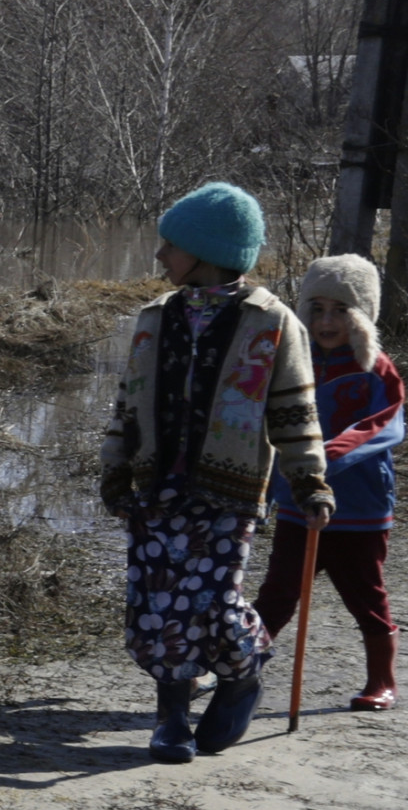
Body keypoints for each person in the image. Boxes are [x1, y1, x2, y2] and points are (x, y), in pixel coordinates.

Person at [97, 182, 333, 763]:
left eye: (170, 245)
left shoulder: (271, 323)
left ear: (207, 253)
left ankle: (244, 669)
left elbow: (294, 411)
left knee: (211, 600)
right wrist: (114, 468)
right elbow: (129, 402)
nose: (160, 257)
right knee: (154, 604)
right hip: (155, 485)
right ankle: (172, 713)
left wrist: (309, 480)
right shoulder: (154, 318)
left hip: (227, 490)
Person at [257, 252, 402, 711]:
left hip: (359, 506)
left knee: (366, 597)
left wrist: (328, 456)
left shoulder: (376, 368)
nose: (326, 321)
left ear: (361, 315)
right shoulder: (290, 362)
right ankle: (238, 669)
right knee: (277, 593)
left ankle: (382, 681)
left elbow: (389, 423)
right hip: (296, 501)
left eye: (341, 310)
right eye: (317, 308)